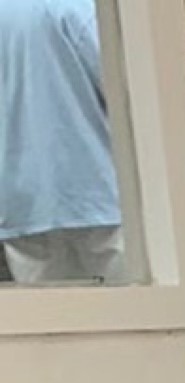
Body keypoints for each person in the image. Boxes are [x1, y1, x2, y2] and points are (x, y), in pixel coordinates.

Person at [0, 0, 123, 284]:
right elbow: (125, 91)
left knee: (52, 309)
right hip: (100, 197)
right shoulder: (76, 9)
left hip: (21, 208)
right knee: (136, 303)